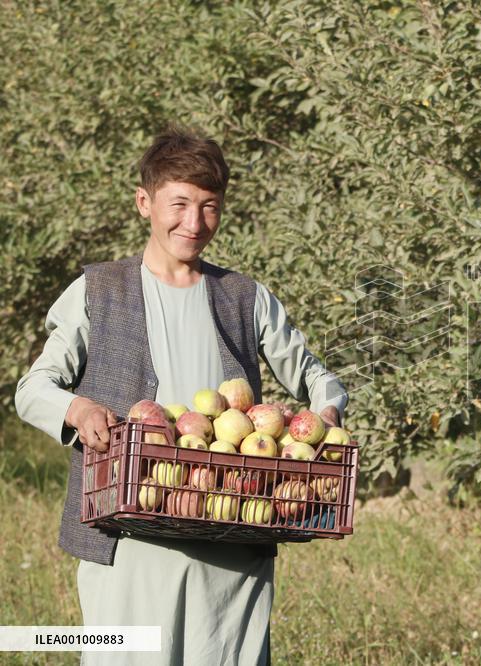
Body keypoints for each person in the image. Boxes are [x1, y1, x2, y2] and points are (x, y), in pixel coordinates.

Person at [15, 125, 348, 665]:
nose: (194, 224)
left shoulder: (247, 298)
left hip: (232, 540)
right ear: (144, 203)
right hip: (127, 543)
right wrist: (74, 408)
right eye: (179, 204)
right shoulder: (99, 290)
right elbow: (32, 388)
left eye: (210, 206)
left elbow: (317, 377)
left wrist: (325, 410)